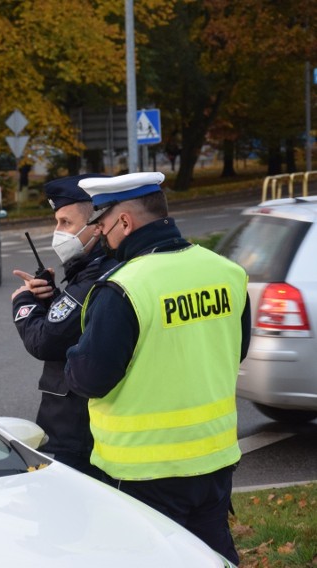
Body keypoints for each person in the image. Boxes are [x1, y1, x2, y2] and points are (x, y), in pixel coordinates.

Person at [64, 171, 250, 564]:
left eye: (103, 225)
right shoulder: (226, 272)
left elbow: (90, 378)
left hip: (141, 473)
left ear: (125, 222)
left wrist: (71, 357)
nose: (101, 236)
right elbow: (237, 349)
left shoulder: (123, 287)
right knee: (212, 558)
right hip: (213, 464)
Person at [10, 173, 116, 478]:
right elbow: (77, 323)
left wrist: (23, 303)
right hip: (82, 430)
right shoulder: (88, 272)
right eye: (56, 222)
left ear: (97, 226)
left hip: (77, 435)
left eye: (66, 223)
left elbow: (46, 340)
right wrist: (53, 297)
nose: (58, 232)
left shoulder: (94, 277)